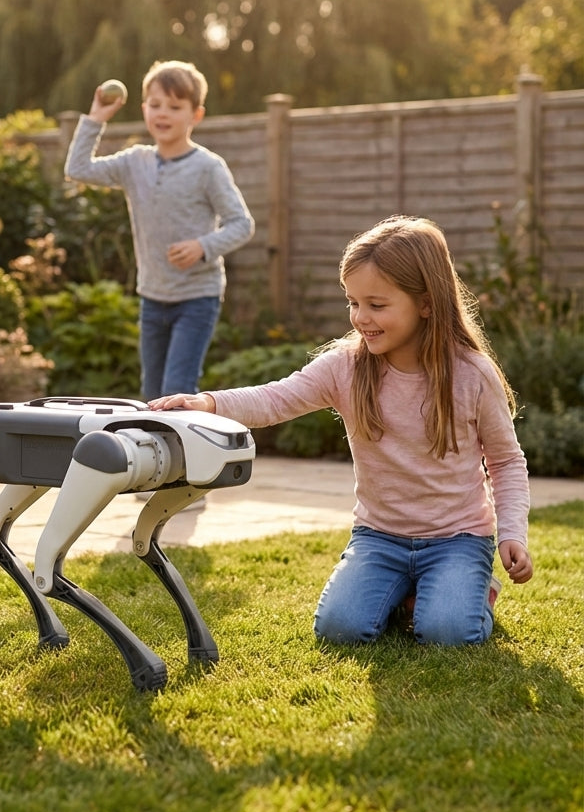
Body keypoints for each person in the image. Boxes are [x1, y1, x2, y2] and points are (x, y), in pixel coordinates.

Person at [150, 215, 533, 645]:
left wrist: (513, 533)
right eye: (352, 302)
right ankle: (412, 591)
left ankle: (472, 591)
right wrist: (209, 402)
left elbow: (505, 461)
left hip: (457, 538)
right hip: (378, 537)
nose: (359, 317)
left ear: (426, 303)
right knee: (338, 629)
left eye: (376, 305)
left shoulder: (471, 375)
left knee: (447, 633)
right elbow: (276, 398)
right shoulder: (346, 366)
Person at [64, 60, 255, 401]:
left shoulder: (208, 167)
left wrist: (202, 245)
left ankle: (187, 455)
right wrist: (95, 119)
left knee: (176, 392)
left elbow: (242, 224)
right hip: (152, 297)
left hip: (197, 297)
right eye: (155, 105)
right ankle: (164, 455)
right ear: (143, 109)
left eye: (174, 106)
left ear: (196, 115)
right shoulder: (133, 162)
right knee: (152, 394)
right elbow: (78, 169)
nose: (162, 113)